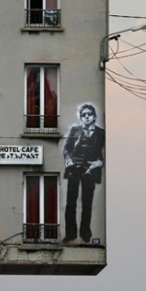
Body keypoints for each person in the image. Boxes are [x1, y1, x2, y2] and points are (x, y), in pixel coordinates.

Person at [62, 103, 105, 244]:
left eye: (89, 114)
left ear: (94, 116)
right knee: (70, 203)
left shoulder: (101, 133)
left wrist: (99, 163)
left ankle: (85, 233)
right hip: (74, 170)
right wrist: (68, 161)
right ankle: (70, 234)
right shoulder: (75, 130)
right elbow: (66, 148)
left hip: (90, 171)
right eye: (84, 115)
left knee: (87, 204)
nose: (86, 117)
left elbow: (104, 156)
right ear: (81, 117)